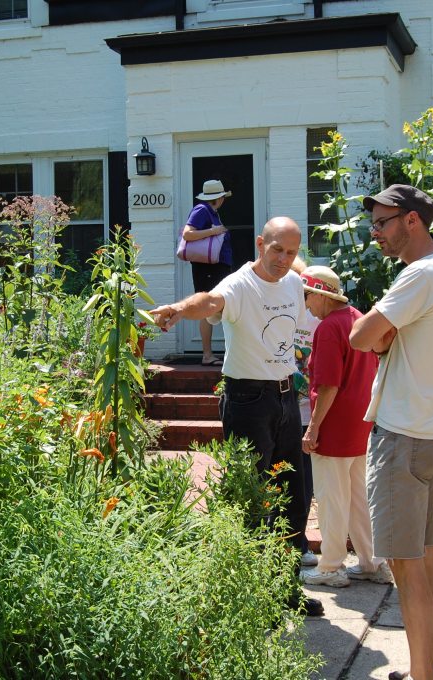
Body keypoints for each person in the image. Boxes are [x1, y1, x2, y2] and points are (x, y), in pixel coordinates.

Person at [150, 216, 324, 618]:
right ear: (261, 243)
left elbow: (301, 328)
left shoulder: (294, 284)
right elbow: (209, 302)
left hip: (284, 400)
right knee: (250, 498)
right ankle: (248, 592)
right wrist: (178, 307)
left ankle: (284, 589)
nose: (283, 258)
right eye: (277, 249)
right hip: (248, 401)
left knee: (293, 498)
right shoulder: (239, 284)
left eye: (292, 252)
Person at [349, 185, 433, 680]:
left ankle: (420, 676)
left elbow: (360, 336)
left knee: (405, 565)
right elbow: (383, 339)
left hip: (404, 435)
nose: (375, 233)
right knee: (428, 556)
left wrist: (379, 334)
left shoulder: (419, 274)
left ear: (411, 220)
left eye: (381, 222)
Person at [298, 265, 390, 589]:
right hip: (361, 424)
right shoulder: (358, 317)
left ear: (321, 294)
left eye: (308, 297)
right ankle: (373, 562)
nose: (307, 305)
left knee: (332, 499)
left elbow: (328, 385)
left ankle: (331, 566)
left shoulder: (328, 328)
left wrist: (313, 428)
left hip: (334, 426)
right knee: (359, 498)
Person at [290, 256, 321, 569]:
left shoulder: (316, 317)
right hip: (279, 408)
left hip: (306, 413)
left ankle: (299, 543)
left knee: (303, 483)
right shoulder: (274, 310)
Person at [181, 179, 233, 366]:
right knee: (207, 309)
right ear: (219, 198)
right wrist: (213, 231)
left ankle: (221, 354)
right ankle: (207, 355)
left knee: (223, 307)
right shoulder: (202, 210)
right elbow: (187, 234)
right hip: (208, 268)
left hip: (216, 266)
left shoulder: (212, 212)